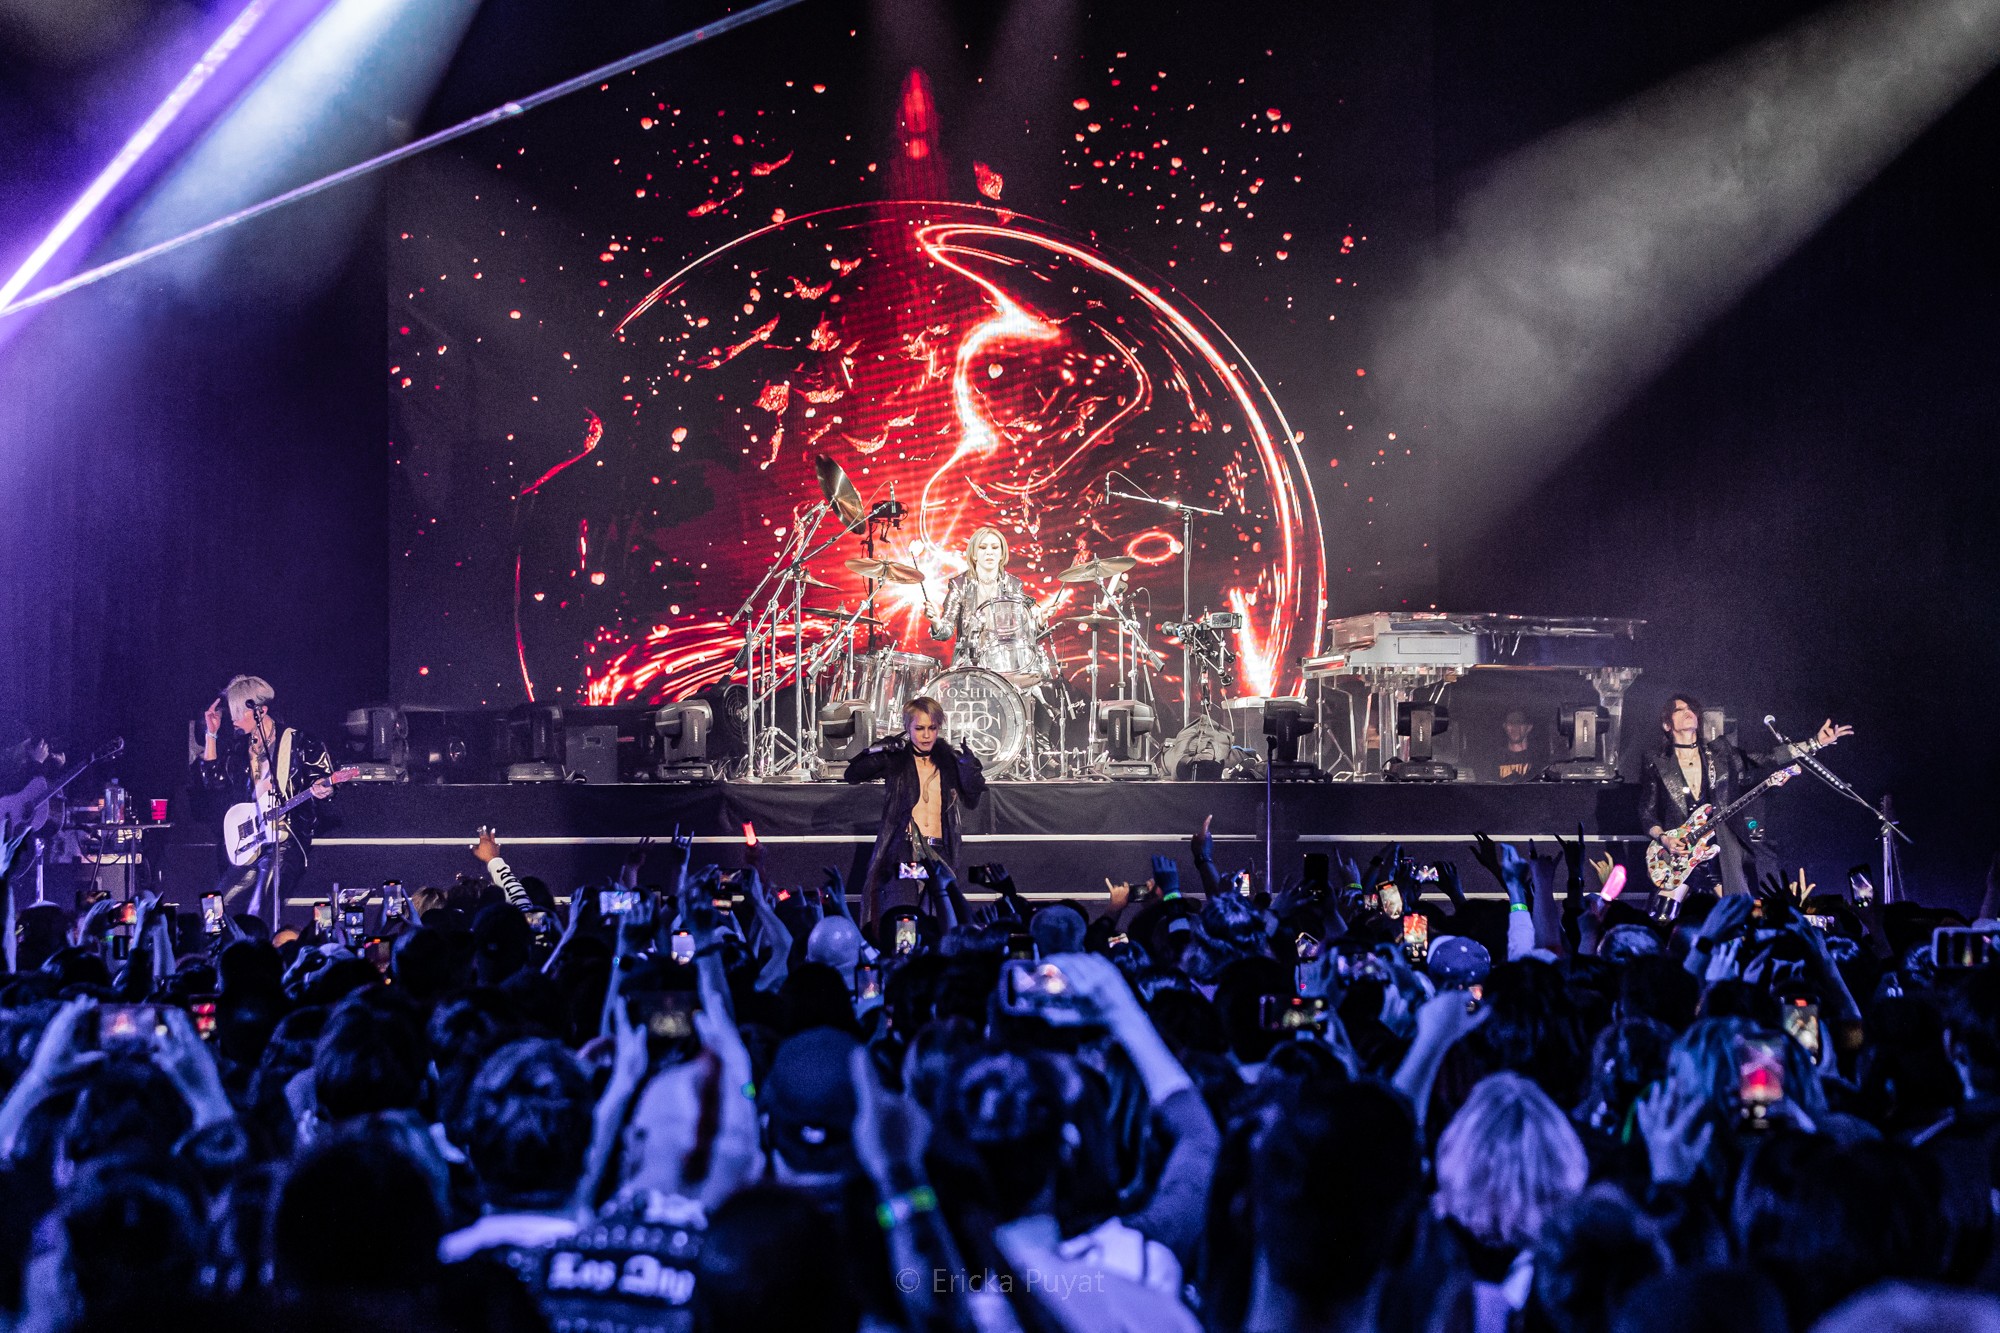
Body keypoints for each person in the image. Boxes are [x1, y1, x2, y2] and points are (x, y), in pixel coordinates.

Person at [1637, 695, 1850, 899]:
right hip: (1679, 854)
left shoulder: (1720, 751)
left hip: (1718, 848)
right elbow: (1647, 811)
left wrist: (1815, 743)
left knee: (1735, 916)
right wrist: (1664, 839)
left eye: (1691, 708)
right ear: (1667, 725)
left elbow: (1765, 758)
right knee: (1664, 916)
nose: (1688, 712)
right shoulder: (1656, 761)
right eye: (1679, 709)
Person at [193, 675, 335, 920]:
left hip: (285, 840)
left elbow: (323, 779)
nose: (234, 719)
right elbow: (213, 784)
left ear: (261, 711)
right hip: (251, 841)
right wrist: (211, 735)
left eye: (239, 713)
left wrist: (326, 788)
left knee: (259, 910)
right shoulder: (238, 749)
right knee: (213, 911)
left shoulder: (300, 741)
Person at [842, 696, 985, 920]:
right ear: (907, 728)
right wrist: (877, 751)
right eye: (919, 728)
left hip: (940, 852)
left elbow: (973, 798)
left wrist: (969, 770)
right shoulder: (897, 759)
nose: (926, 735)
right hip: (905, 851)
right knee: (905, 917)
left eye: (932, 728)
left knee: (939, 917)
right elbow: (852, 775)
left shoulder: (950, 761)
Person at [923, 526, 1054, 683]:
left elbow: (1022, 634)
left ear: (1001, 553)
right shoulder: (959, 584)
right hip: (969, 664)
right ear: (974, 554)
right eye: (983, 547)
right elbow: (946, 632)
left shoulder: (1014, 584)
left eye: (995, 547)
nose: (989, 552)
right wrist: (936, 622)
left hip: (1007, 664)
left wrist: (1039, 622)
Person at [1494, 710, 1540, 783]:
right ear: (1505, 726)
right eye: (1511, 722)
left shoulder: (1538, 759)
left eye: (1519, 722)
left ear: (1529, 727)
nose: (1515, 726)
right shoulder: (1495, 759)